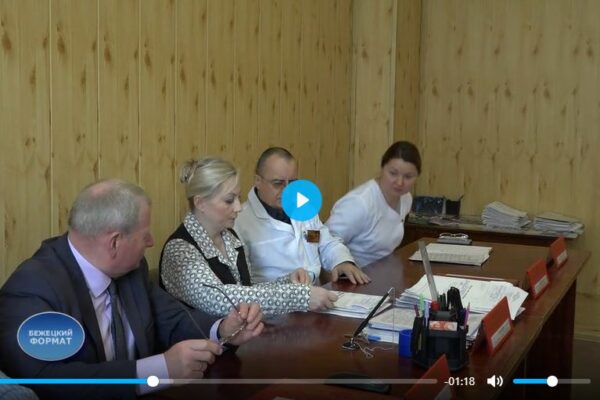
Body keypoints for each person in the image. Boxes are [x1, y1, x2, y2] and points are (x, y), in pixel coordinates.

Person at [0, 180, 263, 400]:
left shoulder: (132, 270)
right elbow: (47, 379)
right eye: (144, 234)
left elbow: (173, 319)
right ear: (115, 242)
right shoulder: (33, 288)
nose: (151, 242)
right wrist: (158, 371)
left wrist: (223, 330)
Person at [160, 157, 339, 317]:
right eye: (229, 200)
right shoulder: (179, 250)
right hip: (202, 342)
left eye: (238, 198)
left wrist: (288, 281)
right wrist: (300, 296)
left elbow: (247, 291)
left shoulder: (230, 238)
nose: (238, 207)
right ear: (200, 203)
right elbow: (219, 299)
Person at [235, 147, 370, 285]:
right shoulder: (240, 222)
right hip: (277, 297)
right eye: (278, 183)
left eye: (292, 183)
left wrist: (341, 261)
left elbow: (323, 241)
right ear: (258, 181)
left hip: (317, 292)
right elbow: (245, 287)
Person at [326, 141, 421, 266]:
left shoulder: (405, 198)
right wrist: (342, 263)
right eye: (393, 173)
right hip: (354, 274)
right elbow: (326, 239)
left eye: (408, 177)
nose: (399, 182)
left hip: (383, 271)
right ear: (382, 169)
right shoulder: (360, 202)